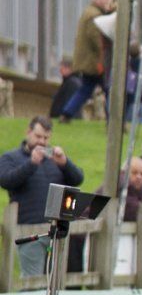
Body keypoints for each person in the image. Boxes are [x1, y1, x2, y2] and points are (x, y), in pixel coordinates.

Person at [0, 116, 85, 276]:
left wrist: (65, 163)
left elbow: (78, 179)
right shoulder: (11, 157)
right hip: (30, 229)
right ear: (28, 132)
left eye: (46, 138)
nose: (42, 142)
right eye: (38, 136)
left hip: (57, 229)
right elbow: (6, 180)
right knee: (32, 280)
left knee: (55, 280)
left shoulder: (54, 159)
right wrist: (31, 164)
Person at [59, 0, 115, 118]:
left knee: (86, 89)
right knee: (108, 89)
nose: (108, 2)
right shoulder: (94, 15)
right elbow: (96, 38)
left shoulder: (89, 12)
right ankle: (113, 119)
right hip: (94, 63)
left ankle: (67, 113)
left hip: (91, 62)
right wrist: (103, 58)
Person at [50, 57, 83, 123]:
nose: (60, 70)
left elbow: (71, 102)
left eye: (63, 67)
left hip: (67, 119)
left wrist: (65, 116)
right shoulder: (68, 81)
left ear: (70, 69)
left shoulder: (72, 83)